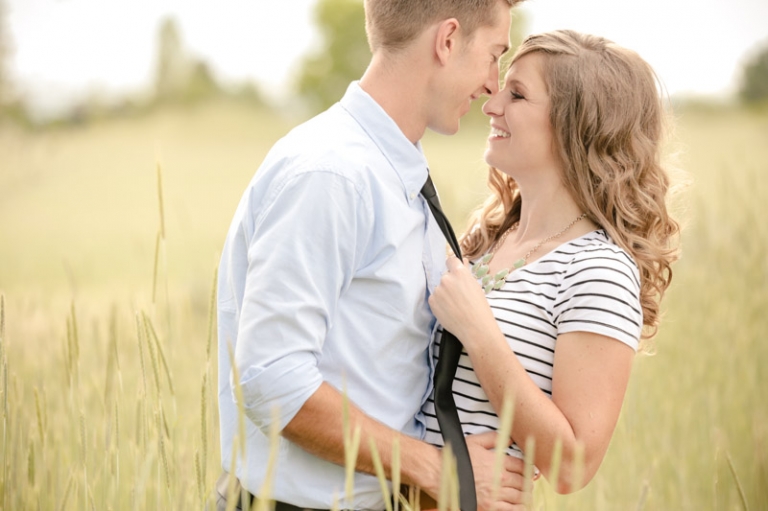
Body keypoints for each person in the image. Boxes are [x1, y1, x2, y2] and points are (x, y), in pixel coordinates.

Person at [214, 1, 531, 509]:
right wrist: (440, 470)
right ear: (447, 40)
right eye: (494, 54)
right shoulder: (333, 174)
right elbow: (271, 377)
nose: (493, 83)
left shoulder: (387, 165)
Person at [423, 29, 681, 494]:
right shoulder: (488, 238)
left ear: (576, 126)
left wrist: (481, 336)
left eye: (517, 94)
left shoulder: (598, 271)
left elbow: (572, 467)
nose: (490, 104)